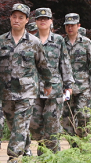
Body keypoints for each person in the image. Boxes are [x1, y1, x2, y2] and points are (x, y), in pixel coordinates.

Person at [0, 4, 52, 163]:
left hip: (27, 92)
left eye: (21, 17)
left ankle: (13, 157)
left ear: (27, 20)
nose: (17, 20)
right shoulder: (0, 42)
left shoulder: (34, 42)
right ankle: (26, 150)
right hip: (6, 91)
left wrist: (47, 83)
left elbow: (43, 65)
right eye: (14, 17)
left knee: (20, 125)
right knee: (14, 126)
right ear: (10, 18)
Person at [31, 8, 73, 154]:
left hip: (54, 88)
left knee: (52, 123)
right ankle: (43, 146)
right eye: (40, 19)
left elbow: (64, 62)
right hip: (34, 87)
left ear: (51, 22)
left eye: (46, 18)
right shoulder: (30, 40)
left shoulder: (58, 40)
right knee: (35, 124)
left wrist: (68, 85)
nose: (43, 21)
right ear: (35, 22)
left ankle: (52, 155)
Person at [61, 14, 91, 138]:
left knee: (83, 115)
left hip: (83, 86)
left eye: (72, 25)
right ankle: (74, 144)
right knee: (66, 118)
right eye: (67, 25)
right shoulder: (61, 42)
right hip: (66, 87)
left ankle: (83, 140)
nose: (70, 28)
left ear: (78, 26)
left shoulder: (86, 43)